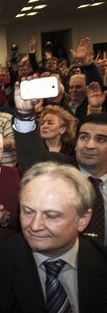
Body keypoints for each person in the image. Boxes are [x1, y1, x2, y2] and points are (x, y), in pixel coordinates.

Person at [0, 162, 107, 313]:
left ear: (83, 219)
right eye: (28, 211)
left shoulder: (102, 261)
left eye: (51, 215)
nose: (34, 226)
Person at [13, 83, 107, 246]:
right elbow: (31, 156)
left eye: (100, 139)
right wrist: (24, 114)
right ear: (76, 143)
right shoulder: (62, 170)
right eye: (84, 137)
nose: (90, 145)